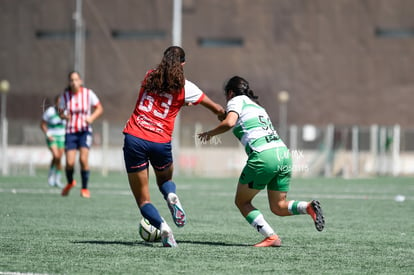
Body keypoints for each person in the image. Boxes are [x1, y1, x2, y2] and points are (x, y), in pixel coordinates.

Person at [198, 76, 325, 247]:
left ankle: (271, 236)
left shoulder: (235, 100)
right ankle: (308, 207)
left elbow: (230, 123)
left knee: (242, 202)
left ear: (230, 93)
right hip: (283, 154)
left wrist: (210, 134)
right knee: (278, 206)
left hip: (263, 156)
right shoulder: (258, 107)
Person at [123, 46, 225, 247]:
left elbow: (160, 96)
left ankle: (163, 227)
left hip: (134, 138)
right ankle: (171, 195)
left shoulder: (149, 76)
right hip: (160, 142)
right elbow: (217, 109)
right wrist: (224, 115)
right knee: (165, 180)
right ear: (183, 64)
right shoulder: (187, 88)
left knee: (144, 200)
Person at [58, 71, 104, 198]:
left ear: (80, 81)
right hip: (71, 132)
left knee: (83, 160)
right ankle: (70, 182)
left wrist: (91, 118)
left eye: (76, 79)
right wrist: (64, 116)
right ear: (69, 82)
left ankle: (84, 188)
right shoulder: (65, 96)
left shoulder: (88, 94)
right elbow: (60, 112)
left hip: (84, 131)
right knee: (69, 163)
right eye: (71, 80)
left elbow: (99, 108)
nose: (74, 82)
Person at [40, 95, 66, 188]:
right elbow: (42, 124)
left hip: (62, 138)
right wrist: (48, 134)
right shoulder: (50, 112)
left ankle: (57, 179)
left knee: (58, 158)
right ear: (55, 103)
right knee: (56, 155)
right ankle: (51, 176)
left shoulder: (66, 112)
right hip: (52, 137)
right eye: (59, 102)